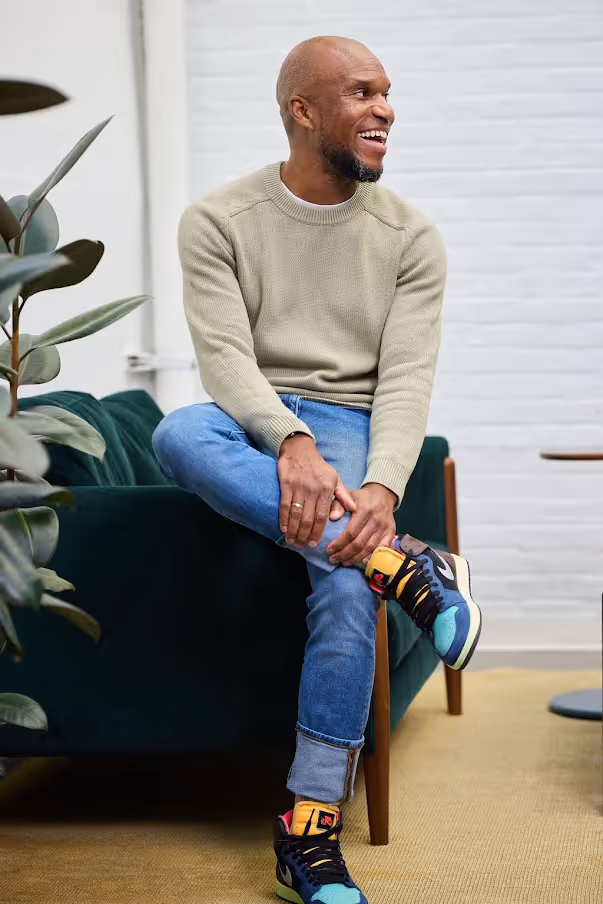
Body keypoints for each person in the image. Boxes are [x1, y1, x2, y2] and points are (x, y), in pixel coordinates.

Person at [152, 35, 482, 904]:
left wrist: (378, 488)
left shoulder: (409, 236)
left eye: (387, 92)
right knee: (177, 433)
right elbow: (224, 360)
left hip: (352, 424)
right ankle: (399, 564)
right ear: (302, 110)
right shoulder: (218, 220)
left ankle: (307, 830)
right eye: (362, 93)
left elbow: (405, 381)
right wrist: (286, 439)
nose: (385, 110)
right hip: (248, 414)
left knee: (343, 591)